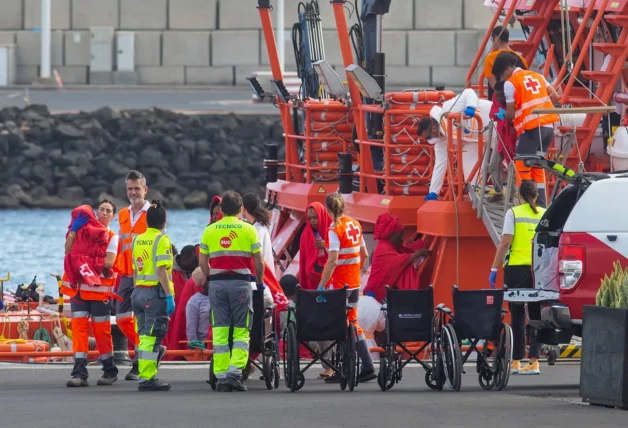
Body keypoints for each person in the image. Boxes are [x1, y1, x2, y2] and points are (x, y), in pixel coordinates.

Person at [198, 190, 265, 392]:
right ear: (240, 209)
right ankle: (235, 374)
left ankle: (220, 374)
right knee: (241, 330)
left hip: (217, 285)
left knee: (219, 331)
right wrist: (260, 283)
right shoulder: (248, 229)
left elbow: (202, 262)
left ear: (222, 209)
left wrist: (211, 277)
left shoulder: (210, 230)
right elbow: (259, 261)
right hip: (240, 285)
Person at [317, 192, 376, 383]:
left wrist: (321, 285)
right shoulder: (355, 224)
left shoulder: (334, 229)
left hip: (340, 285)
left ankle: (344, 368)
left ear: (327, 210)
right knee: (352, 322)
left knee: (340, 323)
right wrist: (355, 273)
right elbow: (364, 255)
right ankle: (367, 365)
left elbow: (332, 261)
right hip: (355, 282)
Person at [62, 200, 120, 387]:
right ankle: (79, 373)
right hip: (77, 289)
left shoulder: (112, 236)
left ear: (113, 216)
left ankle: (109, 370)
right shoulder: (82, 232)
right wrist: (73, 231)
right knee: (78, 331)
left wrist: (82, 261)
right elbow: (67, 250)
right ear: (96, 212)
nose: (104, 213)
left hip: (99, 291)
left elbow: (109, 262)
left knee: (102, 332)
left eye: (108, 211)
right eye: (101, 209)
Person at [489, 180, 545, 375]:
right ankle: (535, 361)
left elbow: (505, 243)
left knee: (518, 315)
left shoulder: (513, 213)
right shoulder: (544, 214)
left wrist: (494, 268)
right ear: (536, 196)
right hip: (537, 271)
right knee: (536, 315)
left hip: (515, 271)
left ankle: (516, 361)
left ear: (519, 196)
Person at [492, 51, 560, 208]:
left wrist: (505, 115)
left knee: (523, 167)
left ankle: (524, 205)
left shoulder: (511, 83)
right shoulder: (537, 75)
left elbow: (510, 113)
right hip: (548, 128)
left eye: (501, 75)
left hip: (531, 131)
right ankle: (541, 204)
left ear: (505, 69)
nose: (502, 79)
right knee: (538, 167)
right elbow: (555, 96)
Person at [131, 200, 175, 391]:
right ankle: (147, 377)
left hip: (138, 291)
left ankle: (144, 373)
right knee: (152, 335)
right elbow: (161, 270)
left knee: (143, 336)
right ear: (164, 221)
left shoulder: (137, 240)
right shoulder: (162, 240)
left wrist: (136, 291)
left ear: (146, 221)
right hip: (154, 293)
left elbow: (134, 271)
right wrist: (169, 295)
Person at [113, 170, 150, 381]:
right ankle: (150, 350)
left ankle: (140, 362)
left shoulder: (153, 212)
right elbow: (120, 244)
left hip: (146, 276)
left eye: (137, 188)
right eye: (130, 189)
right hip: (127, 273)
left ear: (145, 189)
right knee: (122, 318)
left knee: (143, 320)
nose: (133, 192)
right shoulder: (123, 214)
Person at [299, 201, 334, 378]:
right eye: (310, 218)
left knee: (332, 325)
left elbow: (337, 257)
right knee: (320, 327)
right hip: (314, 284)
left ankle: (333, 364)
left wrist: (325, 247)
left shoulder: (331, 231)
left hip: (330, 283)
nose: (312, 221)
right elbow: (305, 262)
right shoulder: (306, 234)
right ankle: (327, 365)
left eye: (315, 217)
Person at [363, 213, 432, 303]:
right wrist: (419, 253)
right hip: (376, 295)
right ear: (392, 235)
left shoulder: (388, 245)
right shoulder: (384, 248)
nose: (402, 239)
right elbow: (397, 262)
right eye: (400, 236)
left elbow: (406, 250)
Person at [241, 192, 274, 308]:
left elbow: (254, 253)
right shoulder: (258, 226)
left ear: (244, 208)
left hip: (262, 278)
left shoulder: (257, 229)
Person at [487, 80, 517, 203]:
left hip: (514, 136)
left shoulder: (514, 96)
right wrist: (499, 115)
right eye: (497, 95)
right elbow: (492, 113)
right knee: (493, 165)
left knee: (512, 167)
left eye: (502, 96)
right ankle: (498, 191)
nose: (499, 98)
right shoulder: (496, 96)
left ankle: (510, 196)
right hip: (501, 135)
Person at [483, 25, 528, 100]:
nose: (493, 44)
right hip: (519, 101)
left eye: (492, 40)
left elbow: (494, 85)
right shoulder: (522, 59)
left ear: (496, 38)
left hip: (499, 103)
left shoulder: (490, 59)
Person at [418, 117, 448, 200]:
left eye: (428, 137)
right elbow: (440, 165)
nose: (430, 140)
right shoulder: (441, 141)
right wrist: (433, 191)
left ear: (434, 129)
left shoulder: (449, 117)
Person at [186, 271, 210, 348]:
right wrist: (196, 346)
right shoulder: (194, 301)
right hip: (205, 346)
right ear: (203, 282)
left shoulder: (224, 297)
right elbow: (191, 327)